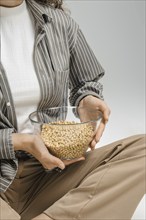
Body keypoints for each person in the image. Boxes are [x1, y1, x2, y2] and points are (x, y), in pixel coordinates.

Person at [0, 0, 145, 219]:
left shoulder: (60, 23)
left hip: (48, 172)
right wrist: (21, 142)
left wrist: (87, 99)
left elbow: (86, 83)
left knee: (142, 150)